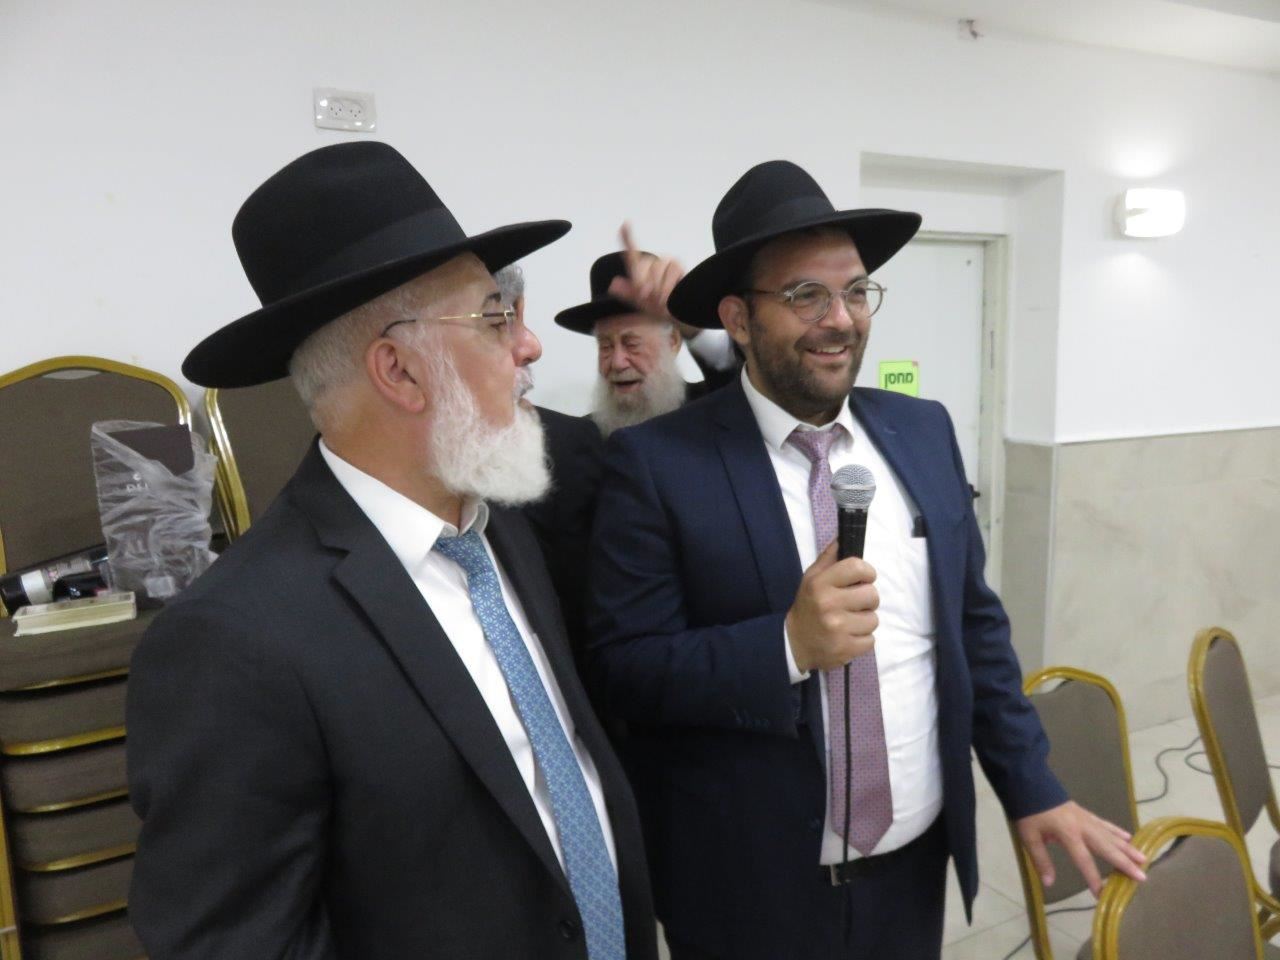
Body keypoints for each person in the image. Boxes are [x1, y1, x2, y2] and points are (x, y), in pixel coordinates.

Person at [585, 160, 1145, 960]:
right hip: (749, 887)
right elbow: (624, 669)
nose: (841, 319)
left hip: (911, 869)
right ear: (738, 319)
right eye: (805, 296)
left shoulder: (922, 431)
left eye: (855, 291)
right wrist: (785, 646)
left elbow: (974, 631)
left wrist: (1031, 785)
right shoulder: (657, 464)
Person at [126, 141, 657, 960]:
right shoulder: (233, 641)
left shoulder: (498, 526)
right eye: (495, 316)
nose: (529, 346)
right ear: (400, 371)